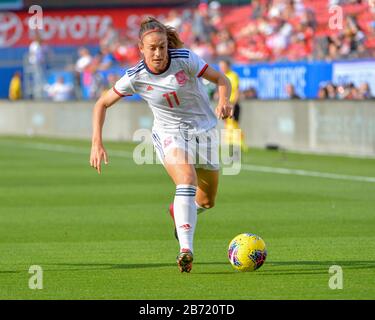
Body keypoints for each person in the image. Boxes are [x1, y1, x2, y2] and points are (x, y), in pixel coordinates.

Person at [89, 17, 232, 273]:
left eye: (162, 47)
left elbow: (222, 79)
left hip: (205, 131)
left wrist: (224, 101)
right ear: (141, 49)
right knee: (186, 180)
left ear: (168, 45)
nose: (158, 53)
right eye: (152, 48)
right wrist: (96, 142)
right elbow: (102, 102)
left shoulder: (185, 59)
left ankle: (177, 209)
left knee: (208, 201)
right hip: (170, 133)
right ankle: (186, 250)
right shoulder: (135, 77)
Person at [218, 58, 248, 153]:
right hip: (225, 104)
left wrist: (233, 104)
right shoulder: (222, 76)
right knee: (227, 124)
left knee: (233, 125)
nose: (221, 68)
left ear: (228, 66)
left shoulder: (233, 76)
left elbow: (237, 91)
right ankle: (229, 145)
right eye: (220, 66)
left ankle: (240, 145)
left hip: (231, 104)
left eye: (223, 66)